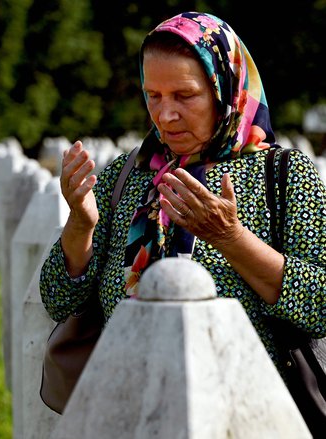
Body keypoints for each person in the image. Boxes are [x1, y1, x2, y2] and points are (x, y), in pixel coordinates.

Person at [39, 10, 326, 432]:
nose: (165, 115)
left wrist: (230, 238)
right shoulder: (128, 175)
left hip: (247, 418)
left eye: (184, 95)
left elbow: (320, 307)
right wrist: (80, 225)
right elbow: (57, 300)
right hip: (129, 414)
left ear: (224, 88)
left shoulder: (283, 176)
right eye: (153, 95)